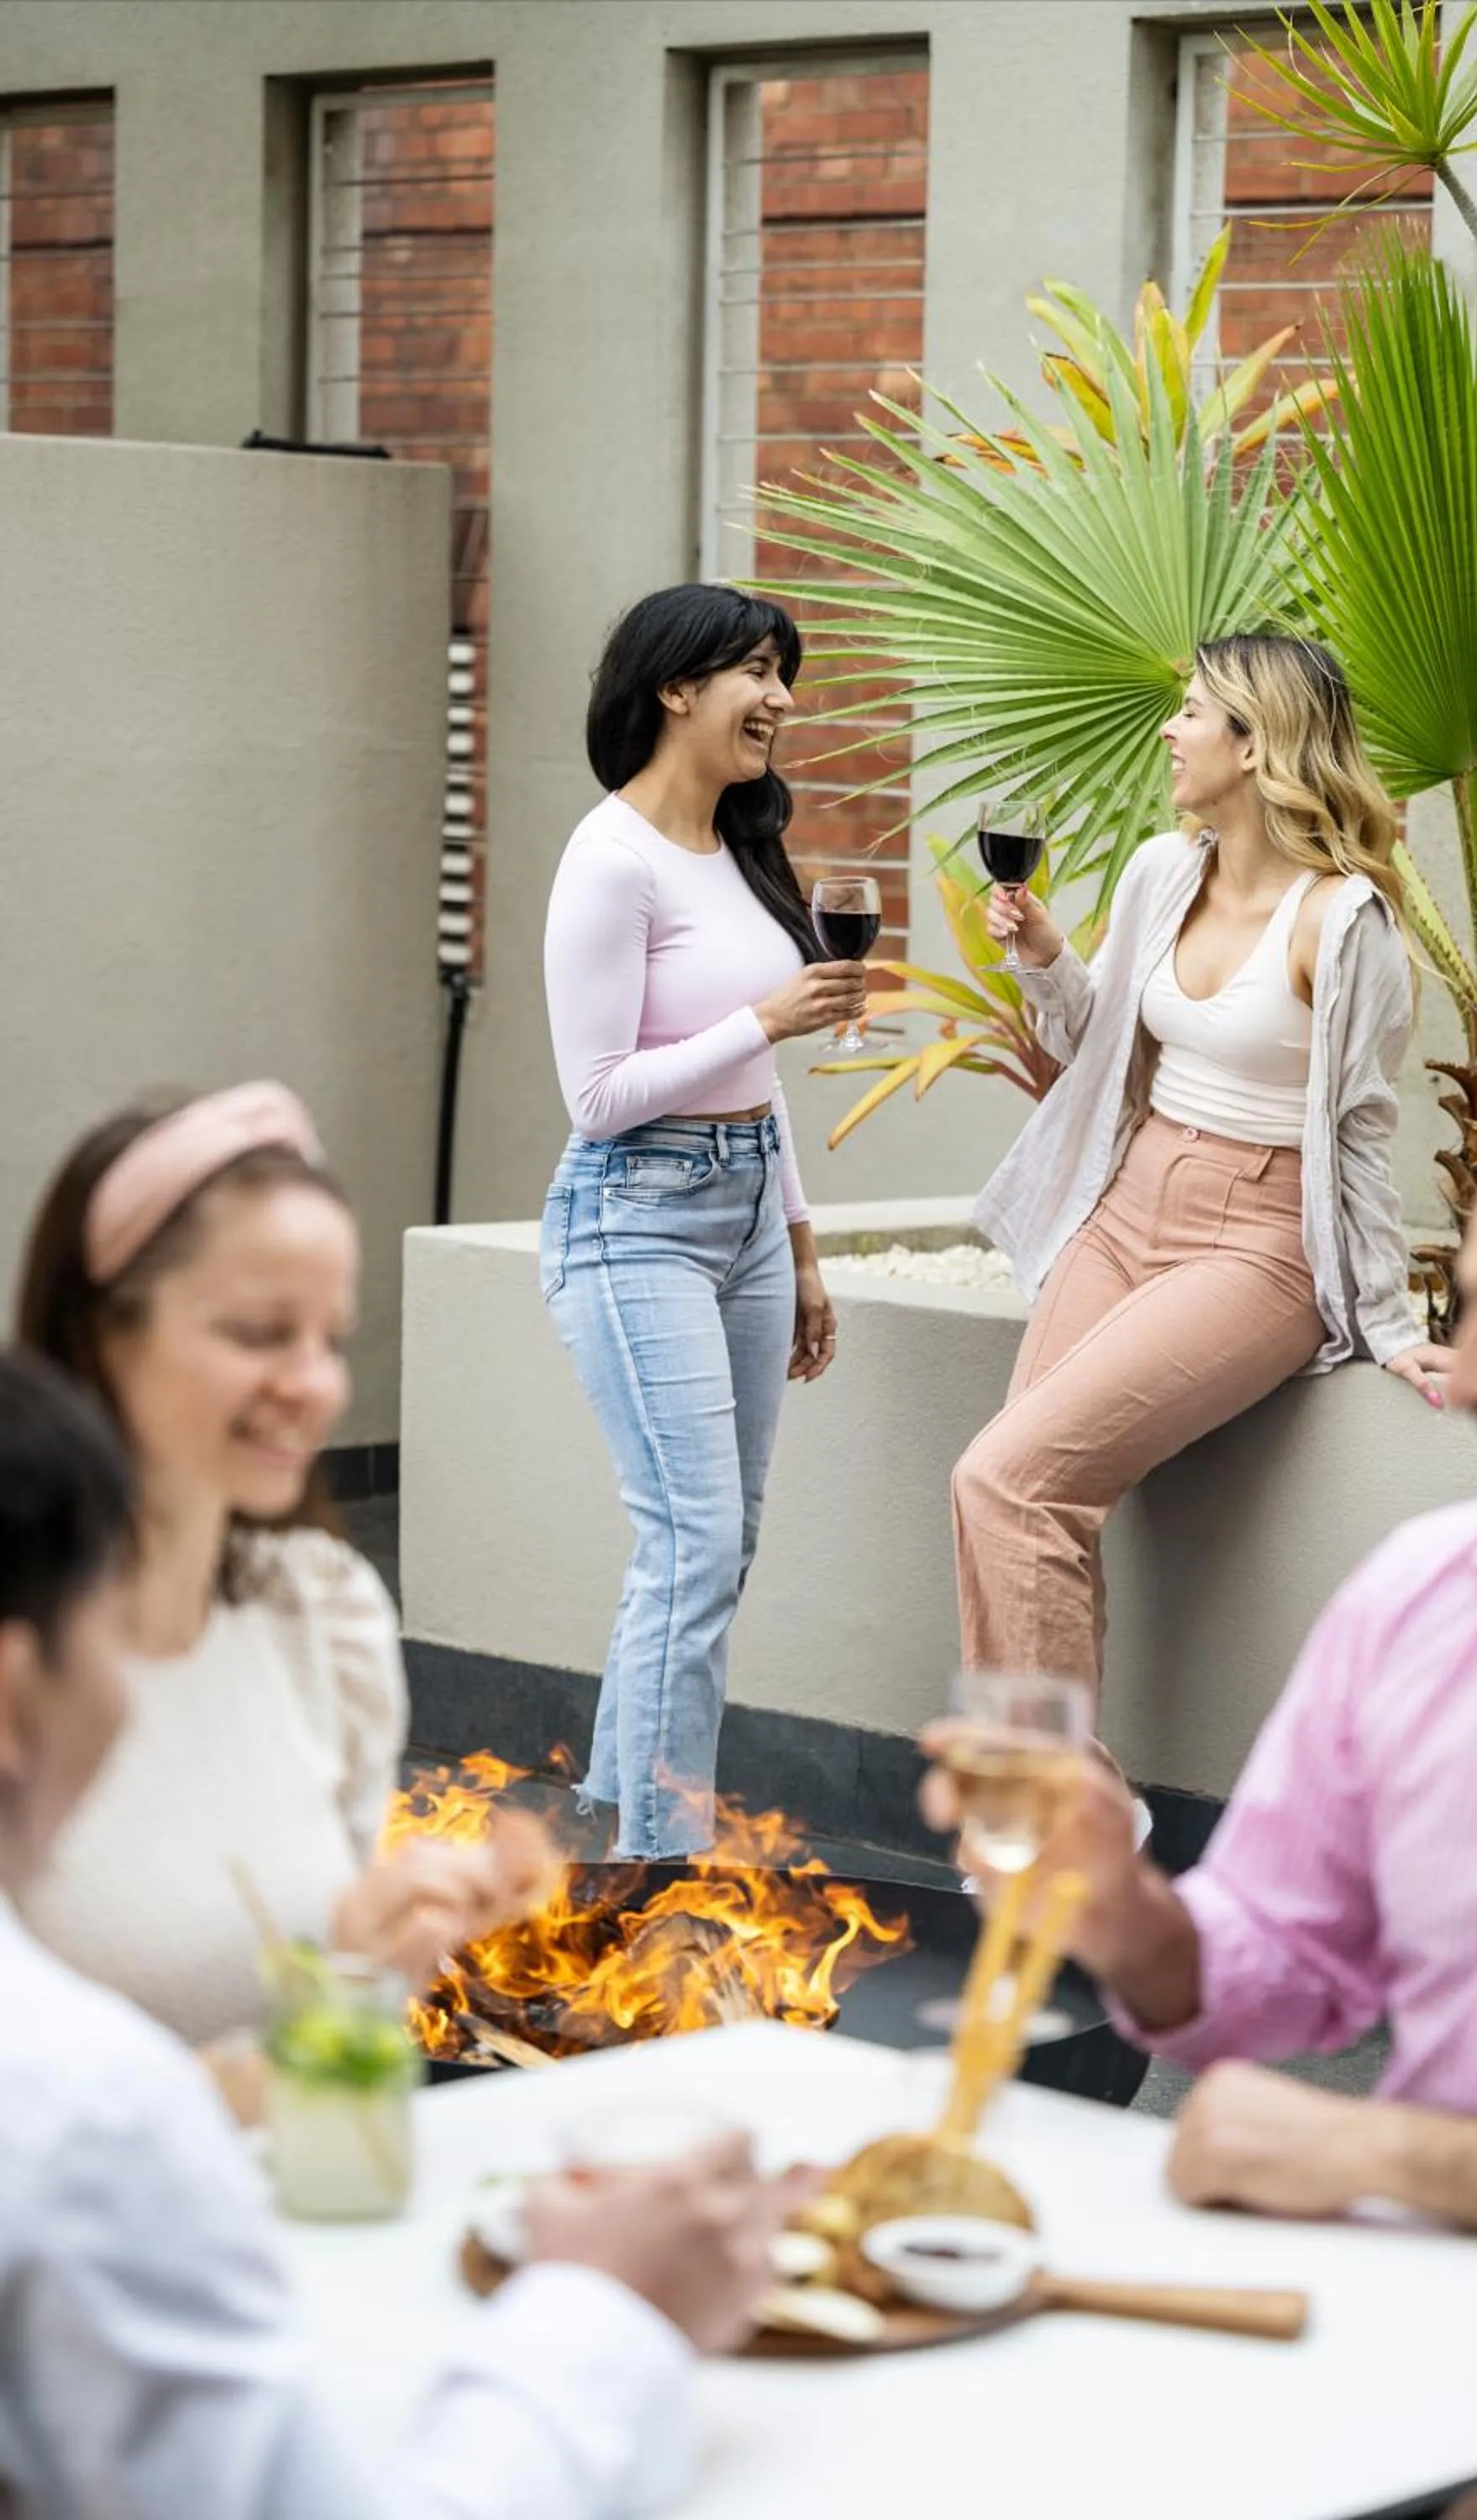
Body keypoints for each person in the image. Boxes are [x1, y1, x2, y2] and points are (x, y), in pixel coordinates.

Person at [0, 1344, 802, 2520]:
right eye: (112, 1636)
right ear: (20, 1698)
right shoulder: (83, 2113)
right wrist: (607, 2302)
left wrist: (346, 1994)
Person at [927, 1093, 1477, 2271]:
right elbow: (1284, 1952)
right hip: (1414, 2317)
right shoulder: (1423, 1603)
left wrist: (1391, 2158)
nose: (1470, 1382)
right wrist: (1123, 1910)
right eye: (1464, 1316)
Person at [954, 634, 1453, 1692]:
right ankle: (1051, 1828)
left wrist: (1392, 1319)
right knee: (1023, 1494)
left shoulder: (1341, 916)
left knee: (1007, 1479)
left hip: (1259, 1242)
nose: (1169, 731)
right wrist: (1045, 960)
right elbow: (1098, 1045)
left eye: (1192, 712)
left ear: (1255, 743)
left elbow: (1362, 1128)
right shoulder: (1160, 870)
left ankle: (1045, 1832)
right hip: (1125, 1201)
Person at [13, 1083, 543, 2052]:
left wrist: (374, 1955)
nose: (312, 1386)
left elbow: (319, 2049)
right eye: (260, 1333)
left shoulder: (319, 1614)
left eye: (330, 1341)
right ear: (101, 1332)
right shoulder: (22, 1654)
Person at [542, 583, 868, 1860]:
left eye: (784, 673)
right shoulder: (609, 858)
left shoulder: (737, 849)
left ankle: (619, 1832)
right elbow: (598, 1096)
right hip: (636, 1220)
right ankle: (665, 1864)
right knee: (693, 1540)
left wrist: (798, 1242)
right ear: (676, 688)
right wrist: (765, 1019)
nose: (781, 699)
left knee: (712, 1550)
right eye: (755, 672)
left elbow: (756, 1084)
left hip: (740, 1218)